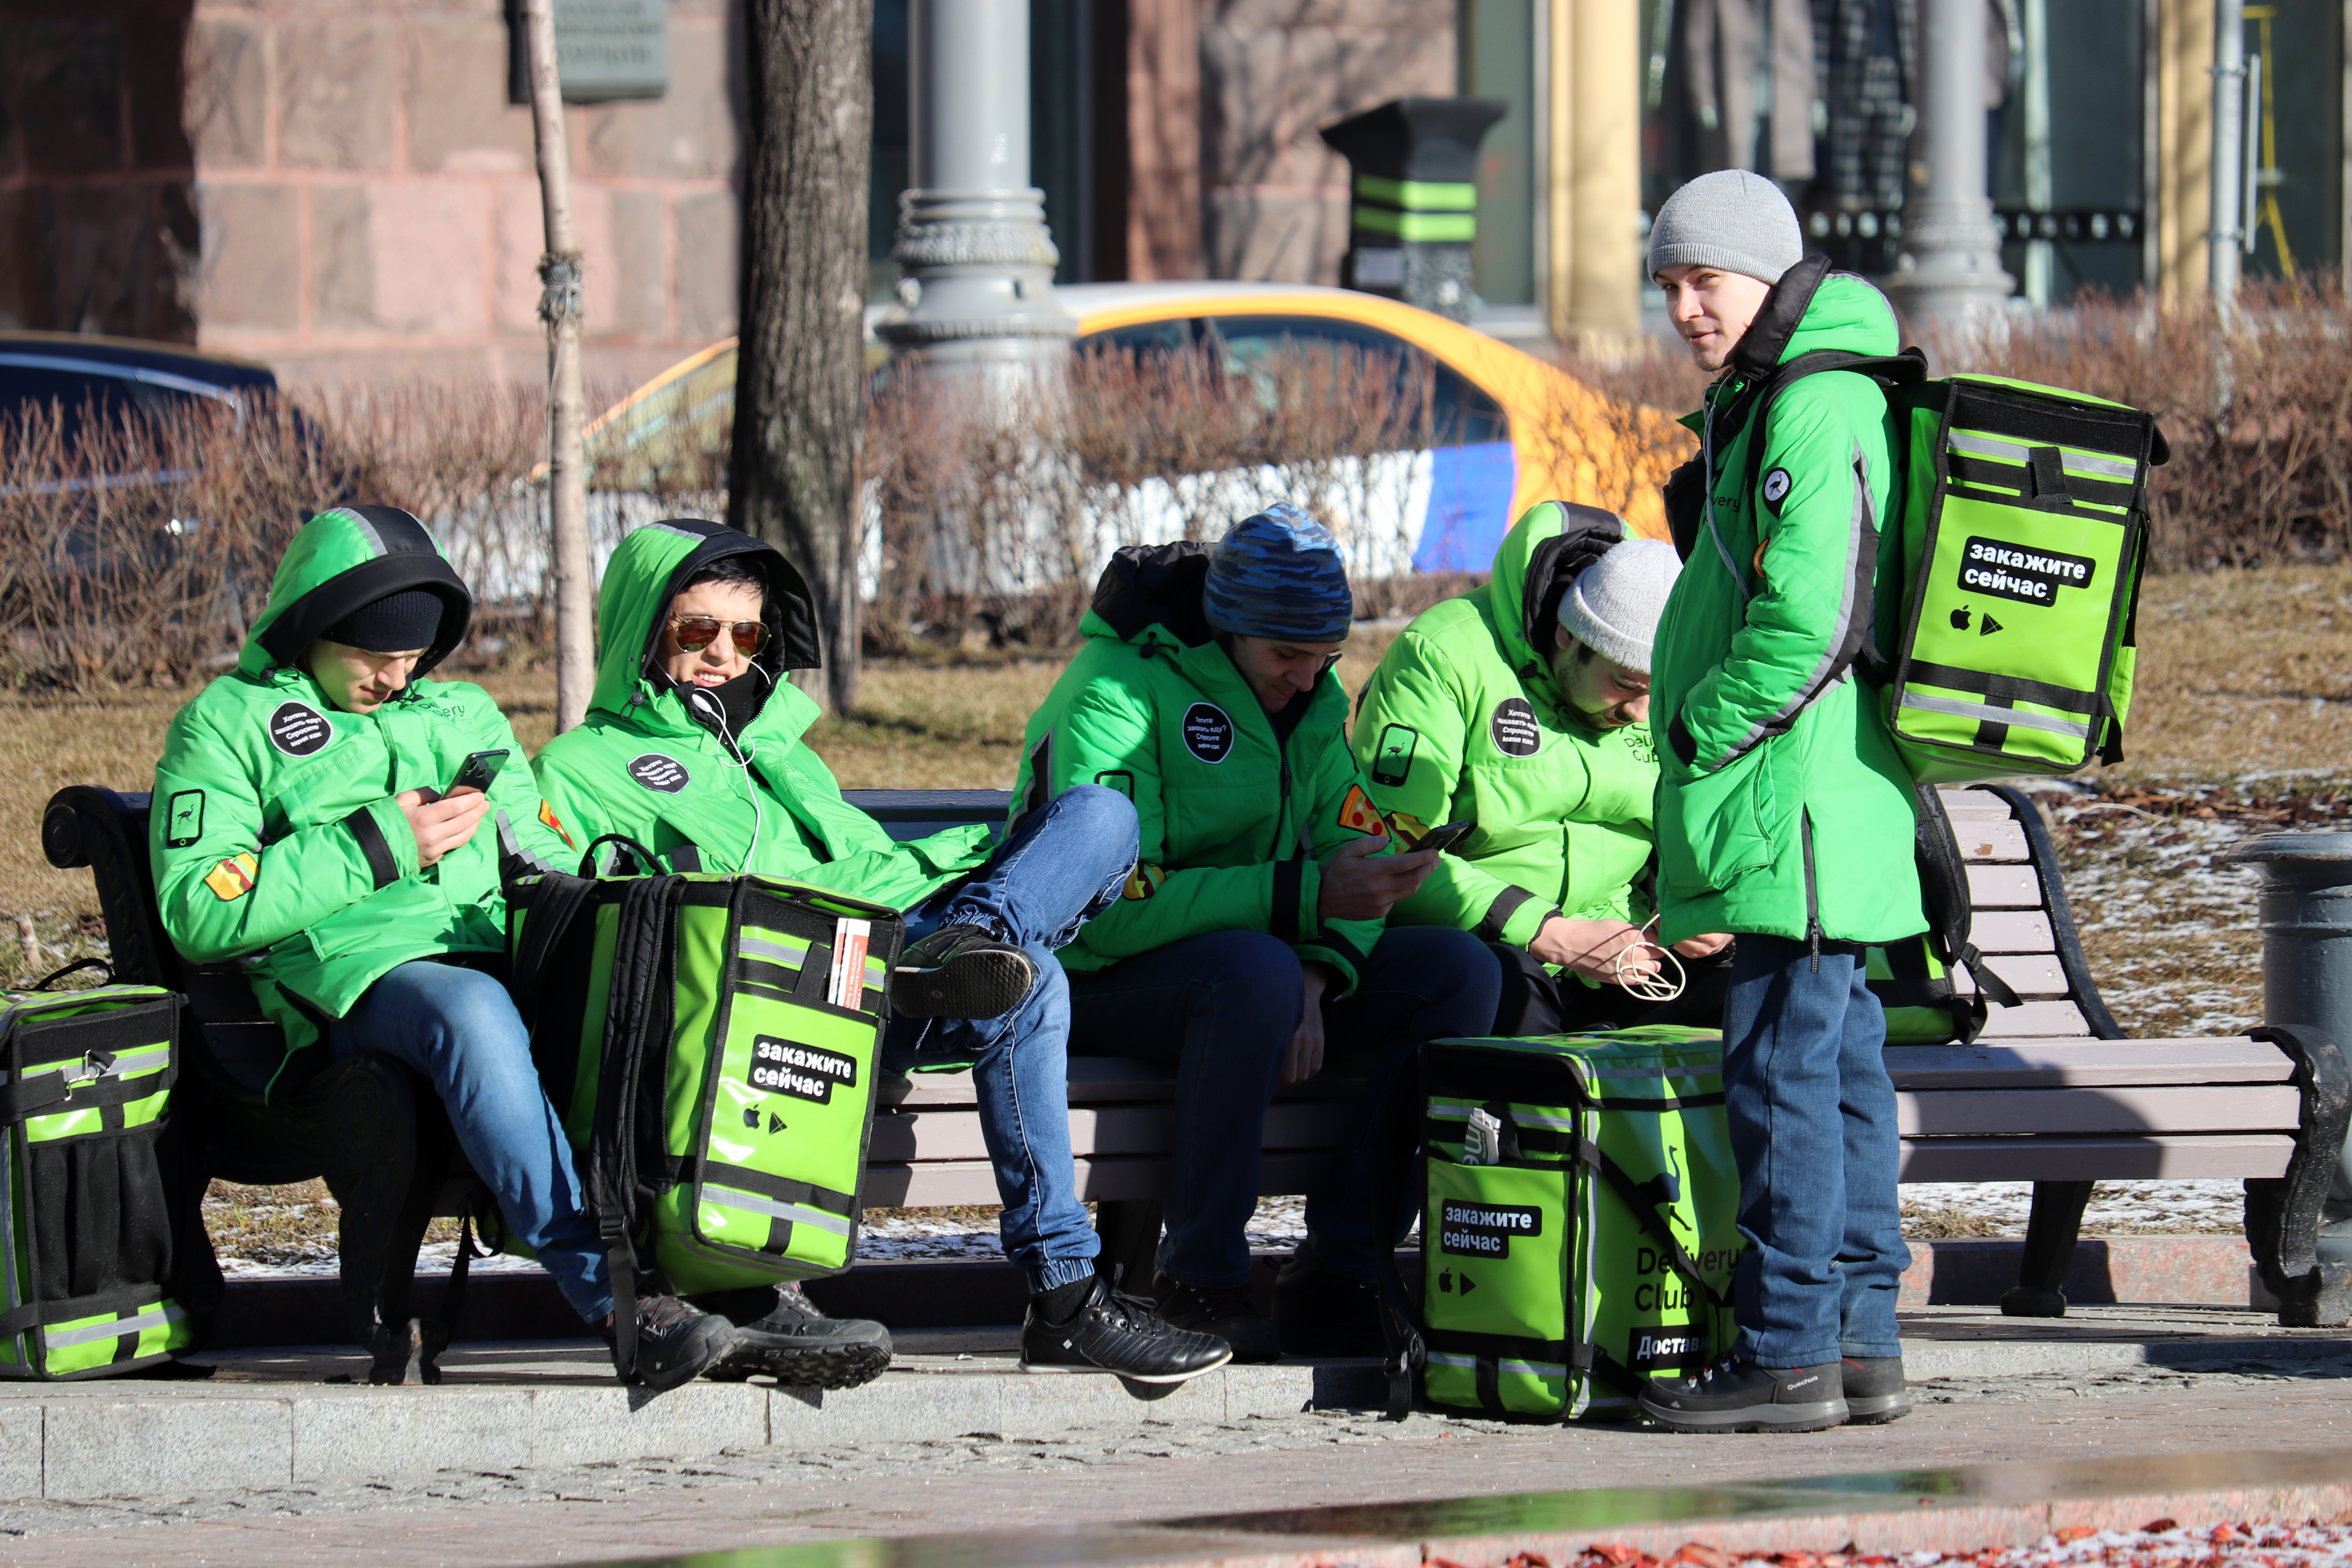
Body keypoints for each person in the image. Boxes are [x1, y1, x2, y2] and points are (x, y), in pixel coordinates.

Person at [532, 518, 1230, 1385]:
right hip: (784, 994)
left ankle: (968, 949)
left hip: (893, 950)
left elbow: (869, 861)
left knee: (1102, 818)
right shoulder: (580, 767)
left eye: (744, 633)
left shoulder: (784, 756)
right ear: (644, 631)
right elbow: (588, 933)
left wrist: (965, 866)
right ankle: (1066, 1285)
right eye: (696, 630)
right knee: (1035, 978)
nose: (722, 654)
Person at [149, 505, 739, 1391]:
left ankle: (737, 1271)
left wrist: (587, 893)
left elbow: (545, 851)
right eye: (373, 657)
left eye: (412, 657)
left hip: (492, 957)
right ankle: (615, 1296)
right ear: (311, 627)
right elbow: (198, 906)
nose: (395, 676)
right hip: (348, 990)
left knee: (657, 977)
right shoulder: (226, 724)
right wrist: (384, 841)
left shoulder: (464, 712)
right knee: (469, 1007)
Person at [1013, 506, 1501, 1362]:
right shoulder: (1117, 692)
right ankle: (1200, 1278)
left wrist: (1319, 967)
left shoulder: (1313, 704)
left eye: (1325, 659)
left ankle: (1344, 1269)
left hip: (1263, 963)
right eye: (1286, 657)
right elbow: (1109, 901)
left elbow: (1353, 845)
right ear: (1228, 627)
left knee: (1459, 972)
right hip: (1093, 972)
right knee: (1252, 972)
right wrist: (1297, 910)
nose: (1307, 680)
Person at [1633, 170, 1925, 1433]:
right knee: (1840, 1064)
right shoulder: (1798, 390)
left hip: (1786, 805)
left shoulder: (1810, 404)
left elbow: (1810, 621)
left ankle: (1789, 1350)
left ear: (1764, 272)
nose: (1687, 309)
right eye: (1670, 287)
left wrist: (1701, 726)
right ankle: (1860, 1345)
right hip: (1824, 801)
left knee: (1779, 1077)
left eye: (1704, 280)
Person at [1350, 500, 1733, 1038]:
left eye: (1658, 691)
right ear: (1566, 635)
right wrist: (1550, 932)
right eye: (1625, 684)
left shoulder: (1663, 677)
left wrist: (1695, 905)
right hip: (1495, 950)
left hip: (1626, 954)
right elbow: (1394, 849)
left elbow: (1696, 824)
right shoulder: (1443, 655)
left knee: (1759, 993)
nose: (1642, 714)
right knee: (1513, 994)